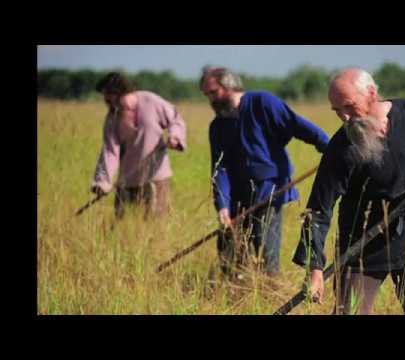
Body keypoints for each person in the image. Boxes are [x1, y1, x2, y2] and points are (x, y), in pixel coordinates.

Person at [292, 67, 405, 315]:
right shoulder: (341, 147)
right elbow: (318, 210)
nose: (344, 117)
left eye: (349, 106)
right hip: (362, 246)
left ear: (371, 93)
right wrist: (314, 269)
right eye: (337, 110)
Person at [200, 66, 330, 278]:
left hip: (270, 190)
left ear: (229, 85)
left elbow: (296, 125)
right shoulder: (218, 126)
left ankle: (270, 290)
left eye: (213, 93)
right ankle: (236, 293)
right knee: (228, 252)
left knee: (265, 250)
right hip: (235, 197)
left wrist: (328, 147)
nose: (210, 100)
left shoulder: (262, 103)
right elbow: (219, 169)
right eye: (207, 95)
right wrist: (222, 206)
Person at [91, 72, 187, 219]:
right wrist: (102, 182)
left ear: (119, 92)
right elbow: (110, 151)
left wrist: (175, 137)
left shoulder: (150, 100)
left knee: (156, 225)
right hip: (126, 182)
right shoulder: (112, 118)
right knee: (122, 226)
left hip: (156, 178)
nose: (106, 100)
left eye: (108, 95)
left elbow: (175, 119)